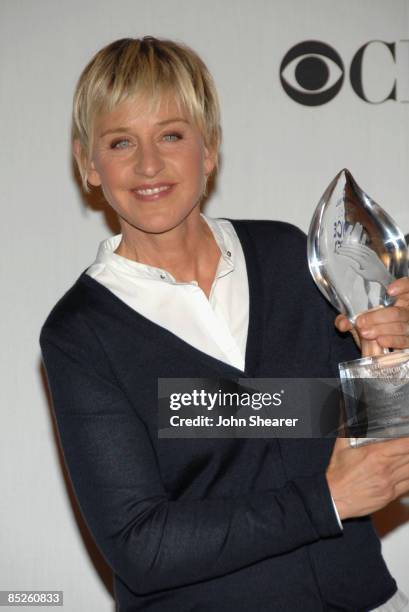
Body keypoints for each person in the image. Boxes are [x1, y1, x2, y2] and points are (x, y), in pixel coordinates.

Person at [39, 36, 409, 611]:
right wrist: (326, 499)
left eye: (171, 135)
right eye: (120, 142)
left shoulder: (291, 258)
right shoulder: (82, 334)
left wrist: (393, 358)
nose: (148, 165)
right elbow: (143, 546)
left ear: (208, 150)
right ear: (88, 163)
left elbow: (383, 455)